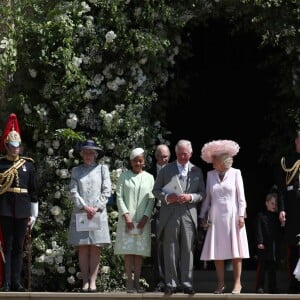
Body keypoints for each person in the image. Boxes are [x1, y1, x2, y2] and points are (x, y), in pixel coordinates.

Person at [152, 139, 206, 295]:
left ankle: (186, 283)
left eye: (186, 154)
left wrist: (190, 197)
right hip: (170, 214)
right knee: (170, 249)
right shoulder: (165, 169)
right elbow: (156, 191)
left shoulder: (197, 170)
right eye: (180, 154)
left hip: (189, 214)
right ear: (176, 153)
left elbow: (202, 194)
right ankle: (171, 283)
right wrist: (168, 198)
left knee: (188, 250)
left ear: (191, 153)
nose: (183, 157)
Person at [199, 139, 249, 294]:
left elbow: (241, 198)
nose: (212, 161)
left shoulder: (236, 173)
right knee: (217, 253)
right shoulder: (210, 175)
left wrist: (241, 215)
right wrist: (202, 215)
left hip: (233, 217)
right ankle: (220, 284)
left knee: (236, 252)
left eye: (214, 159)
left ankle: (237, 283)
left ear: (222, 160)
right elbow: (208, 197)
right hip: (216, 217)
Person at [0, 113, 38, 292]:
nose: (15, 149)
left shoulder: (28, 165)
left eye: (17, 146)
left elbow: (33, 191)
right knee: (7, 246)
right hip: (6, 208)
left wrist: (34, 214)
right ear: (7, 146)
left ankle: (16, 282)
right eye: (12, 146)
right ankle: (6, 282)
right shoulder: (1, 165)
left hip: (23, 209)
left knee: (19, 247)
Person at [68, 139, 112, 293]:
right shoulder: (76, 170)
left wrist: (96, 207)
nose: (88, 155)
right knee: (83, 247)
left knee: (95, 247)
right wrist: (85, 207)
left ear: (95, 154)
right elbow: (73, 191)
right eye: (85, 152)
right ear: (81, 154)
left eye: (91, 153)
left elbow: (107, 190)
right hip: (81, 213)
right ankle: (85, 281)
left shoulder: (102, 169)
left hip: (97, 213)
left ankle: (93, 281)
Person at [114, 147, 155, 293]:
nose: (138, 163)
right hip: (127, 220)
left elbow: (151, 199)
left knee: (139, 252)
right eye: (135, 161)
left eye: (140, 161)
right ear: (131, 162)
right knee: (129, 252)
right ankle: (129, 282)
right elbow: (119, 196)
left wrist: (145, 217)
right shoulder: (124, 176)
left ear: (144, 162)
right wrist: (126, 216)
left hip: (143, 220)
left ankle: (137, 282)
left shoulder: (150, 178)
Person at [277, 130, 300, 293]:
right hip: (293, 213)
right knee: (293, 249)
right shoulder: (287, 161)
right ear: (296, 142)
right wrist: (282, 209)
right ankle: (294, 283)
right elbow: (282, 190)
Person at [148, 144, 171, 292]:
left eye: (166, 156)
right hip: (156, 213)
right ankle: (160, 282)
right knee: (158, 248)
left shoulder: (175, 170)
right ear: (156, 157)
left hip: (173, 212)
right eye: (161, 156)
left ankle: (173, 281)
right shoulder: (149, 173)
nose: (164, 159)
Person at [254, 192, 282, 294]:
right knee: (262, 268)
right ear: (266, 203)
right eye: (272, 203)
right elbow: (258, 230)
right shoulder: (261, 216)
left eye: (276, 204)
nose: (274, 206)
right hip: (264, 246)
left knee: (272, 268)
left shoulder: (277, 217)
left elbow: (279, 232)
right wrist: (260, 242)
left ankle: (272, 287)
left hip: (273, 247)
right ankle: (259, 287)